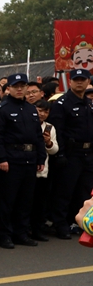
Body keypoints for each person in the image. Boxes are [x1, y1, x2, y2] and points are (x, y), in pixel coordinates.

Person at [0, 73, 46, 248]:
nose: (19, 89)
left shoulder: (31, 109)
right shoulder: (1, 109)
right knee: (7, 200)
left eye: (22, 86)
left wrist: (41, 157)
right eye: (15, 86)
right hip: (11, 159)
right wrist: (1, 158)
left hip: (30, 158)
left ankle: (21, 233)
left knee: (26, 200)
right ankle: (4, 235)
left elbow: (38, 136)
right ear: (9, 88)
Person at [47, 68, 93, 239]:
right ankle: (61, 224)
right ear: (70, 81)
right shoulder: (62, 103)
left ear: (88, 82)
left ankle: (79, 223)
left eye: (83, 79)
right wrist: (60, 155)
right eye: (76, 80)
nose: (79, 82)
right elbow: (58, 131)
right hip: (70, 153)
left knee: (84, 191)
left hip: (88, 153)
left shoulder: (89, 103)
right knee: (64, 191)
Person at [30, 100, 59, 241]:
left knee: (40, 203)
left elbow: (54, 150)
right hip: (27, 168)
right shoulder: (28, 123)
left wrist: (48, 143)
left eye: (45, 111)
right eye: (39, 110)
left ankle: (38, 230)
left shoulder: (49, 127)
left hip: (43, 170)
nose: (42, 114)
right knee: (26, 202)